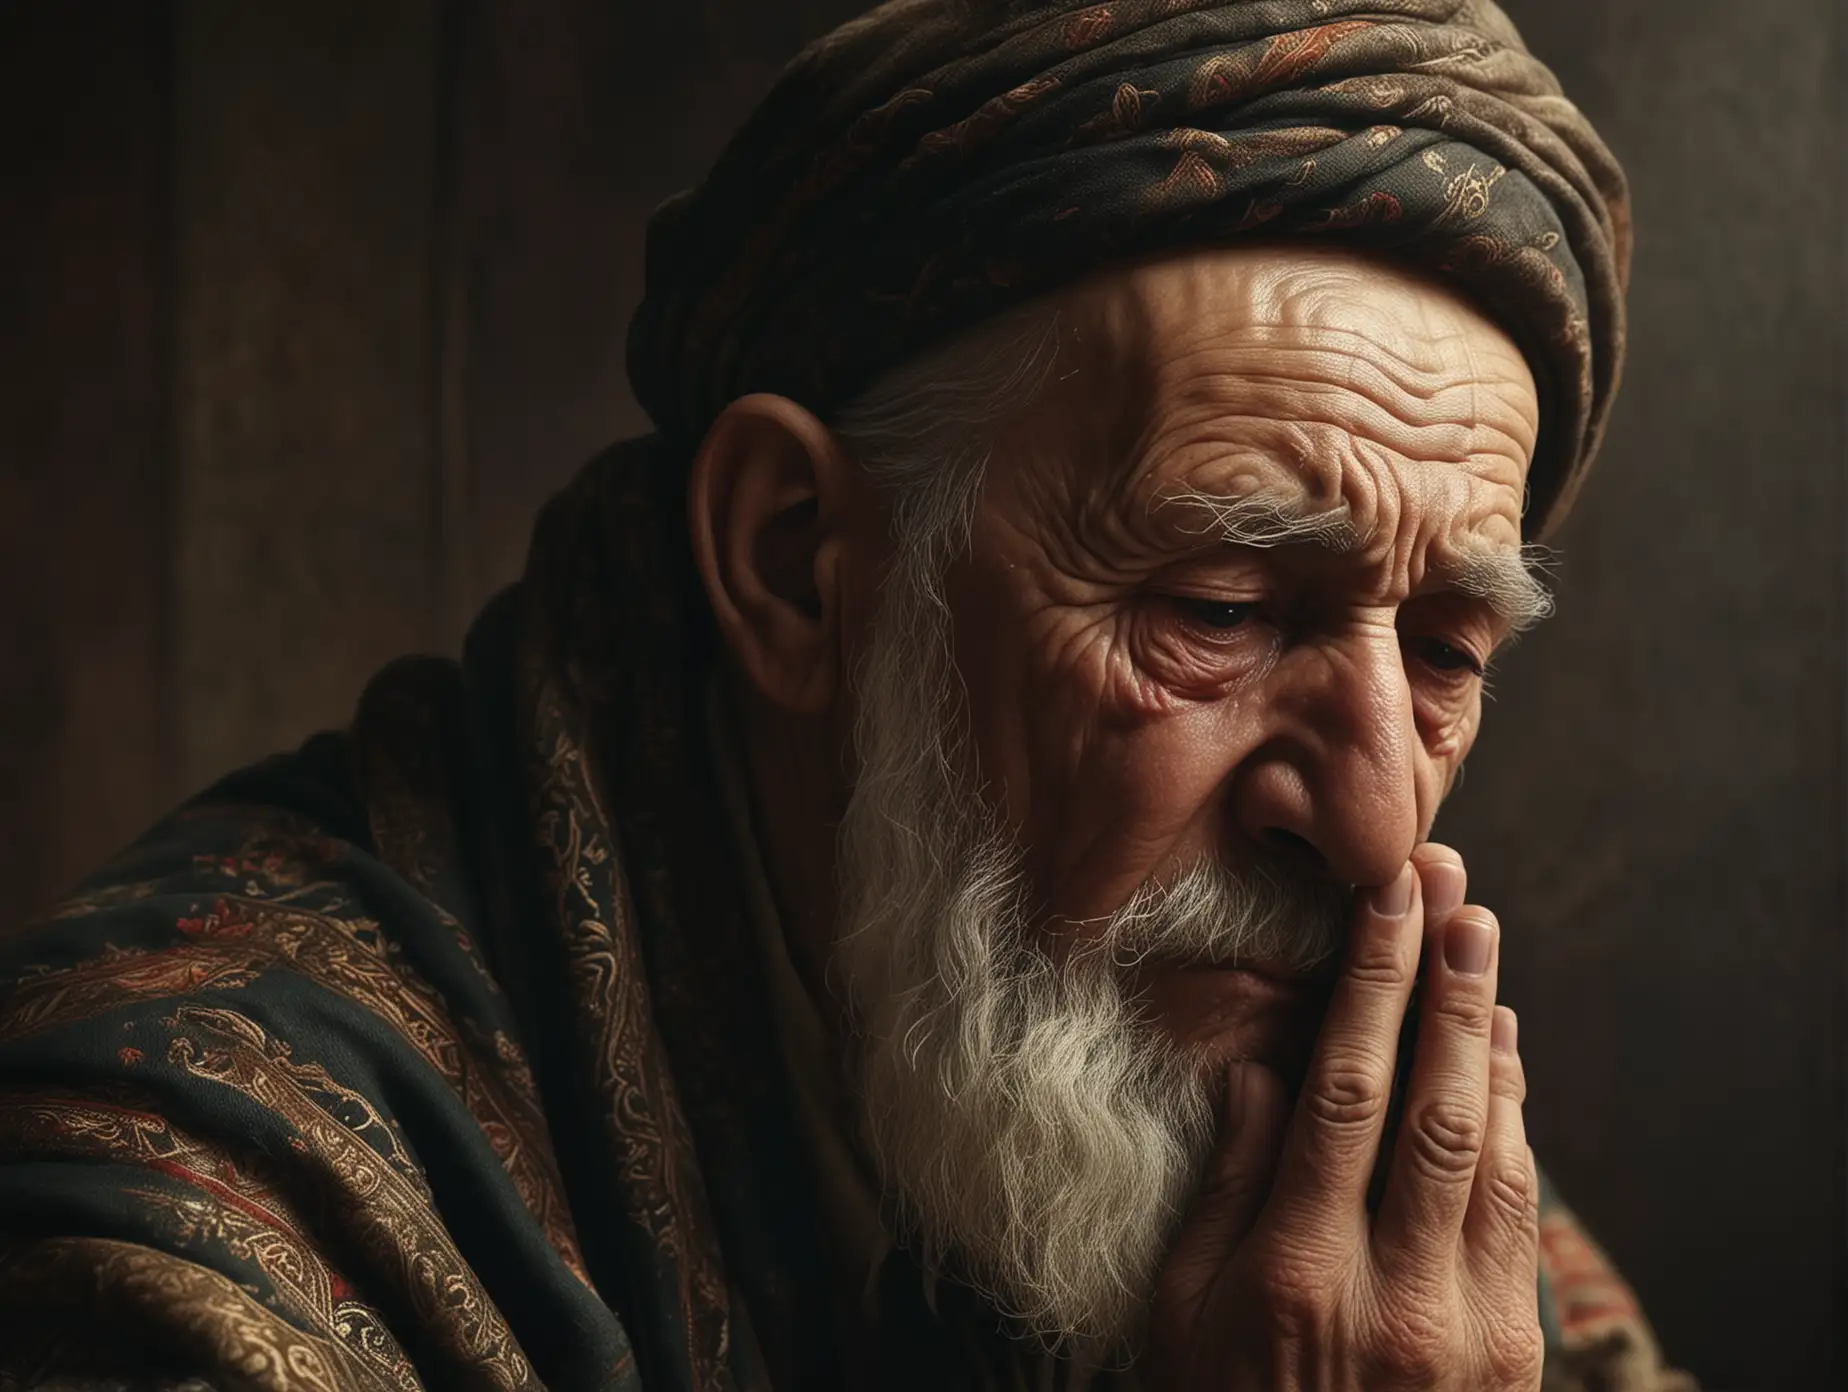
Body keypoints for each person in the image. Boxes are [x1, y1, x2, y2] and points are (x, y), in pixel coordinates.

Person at [0, 2, 1693, 1388]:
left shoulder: (1300, 1138)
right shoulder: (167, 1241)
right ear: (800, 562)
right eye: (1223, 607)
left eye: (1450, 650)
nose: (1379, 812)